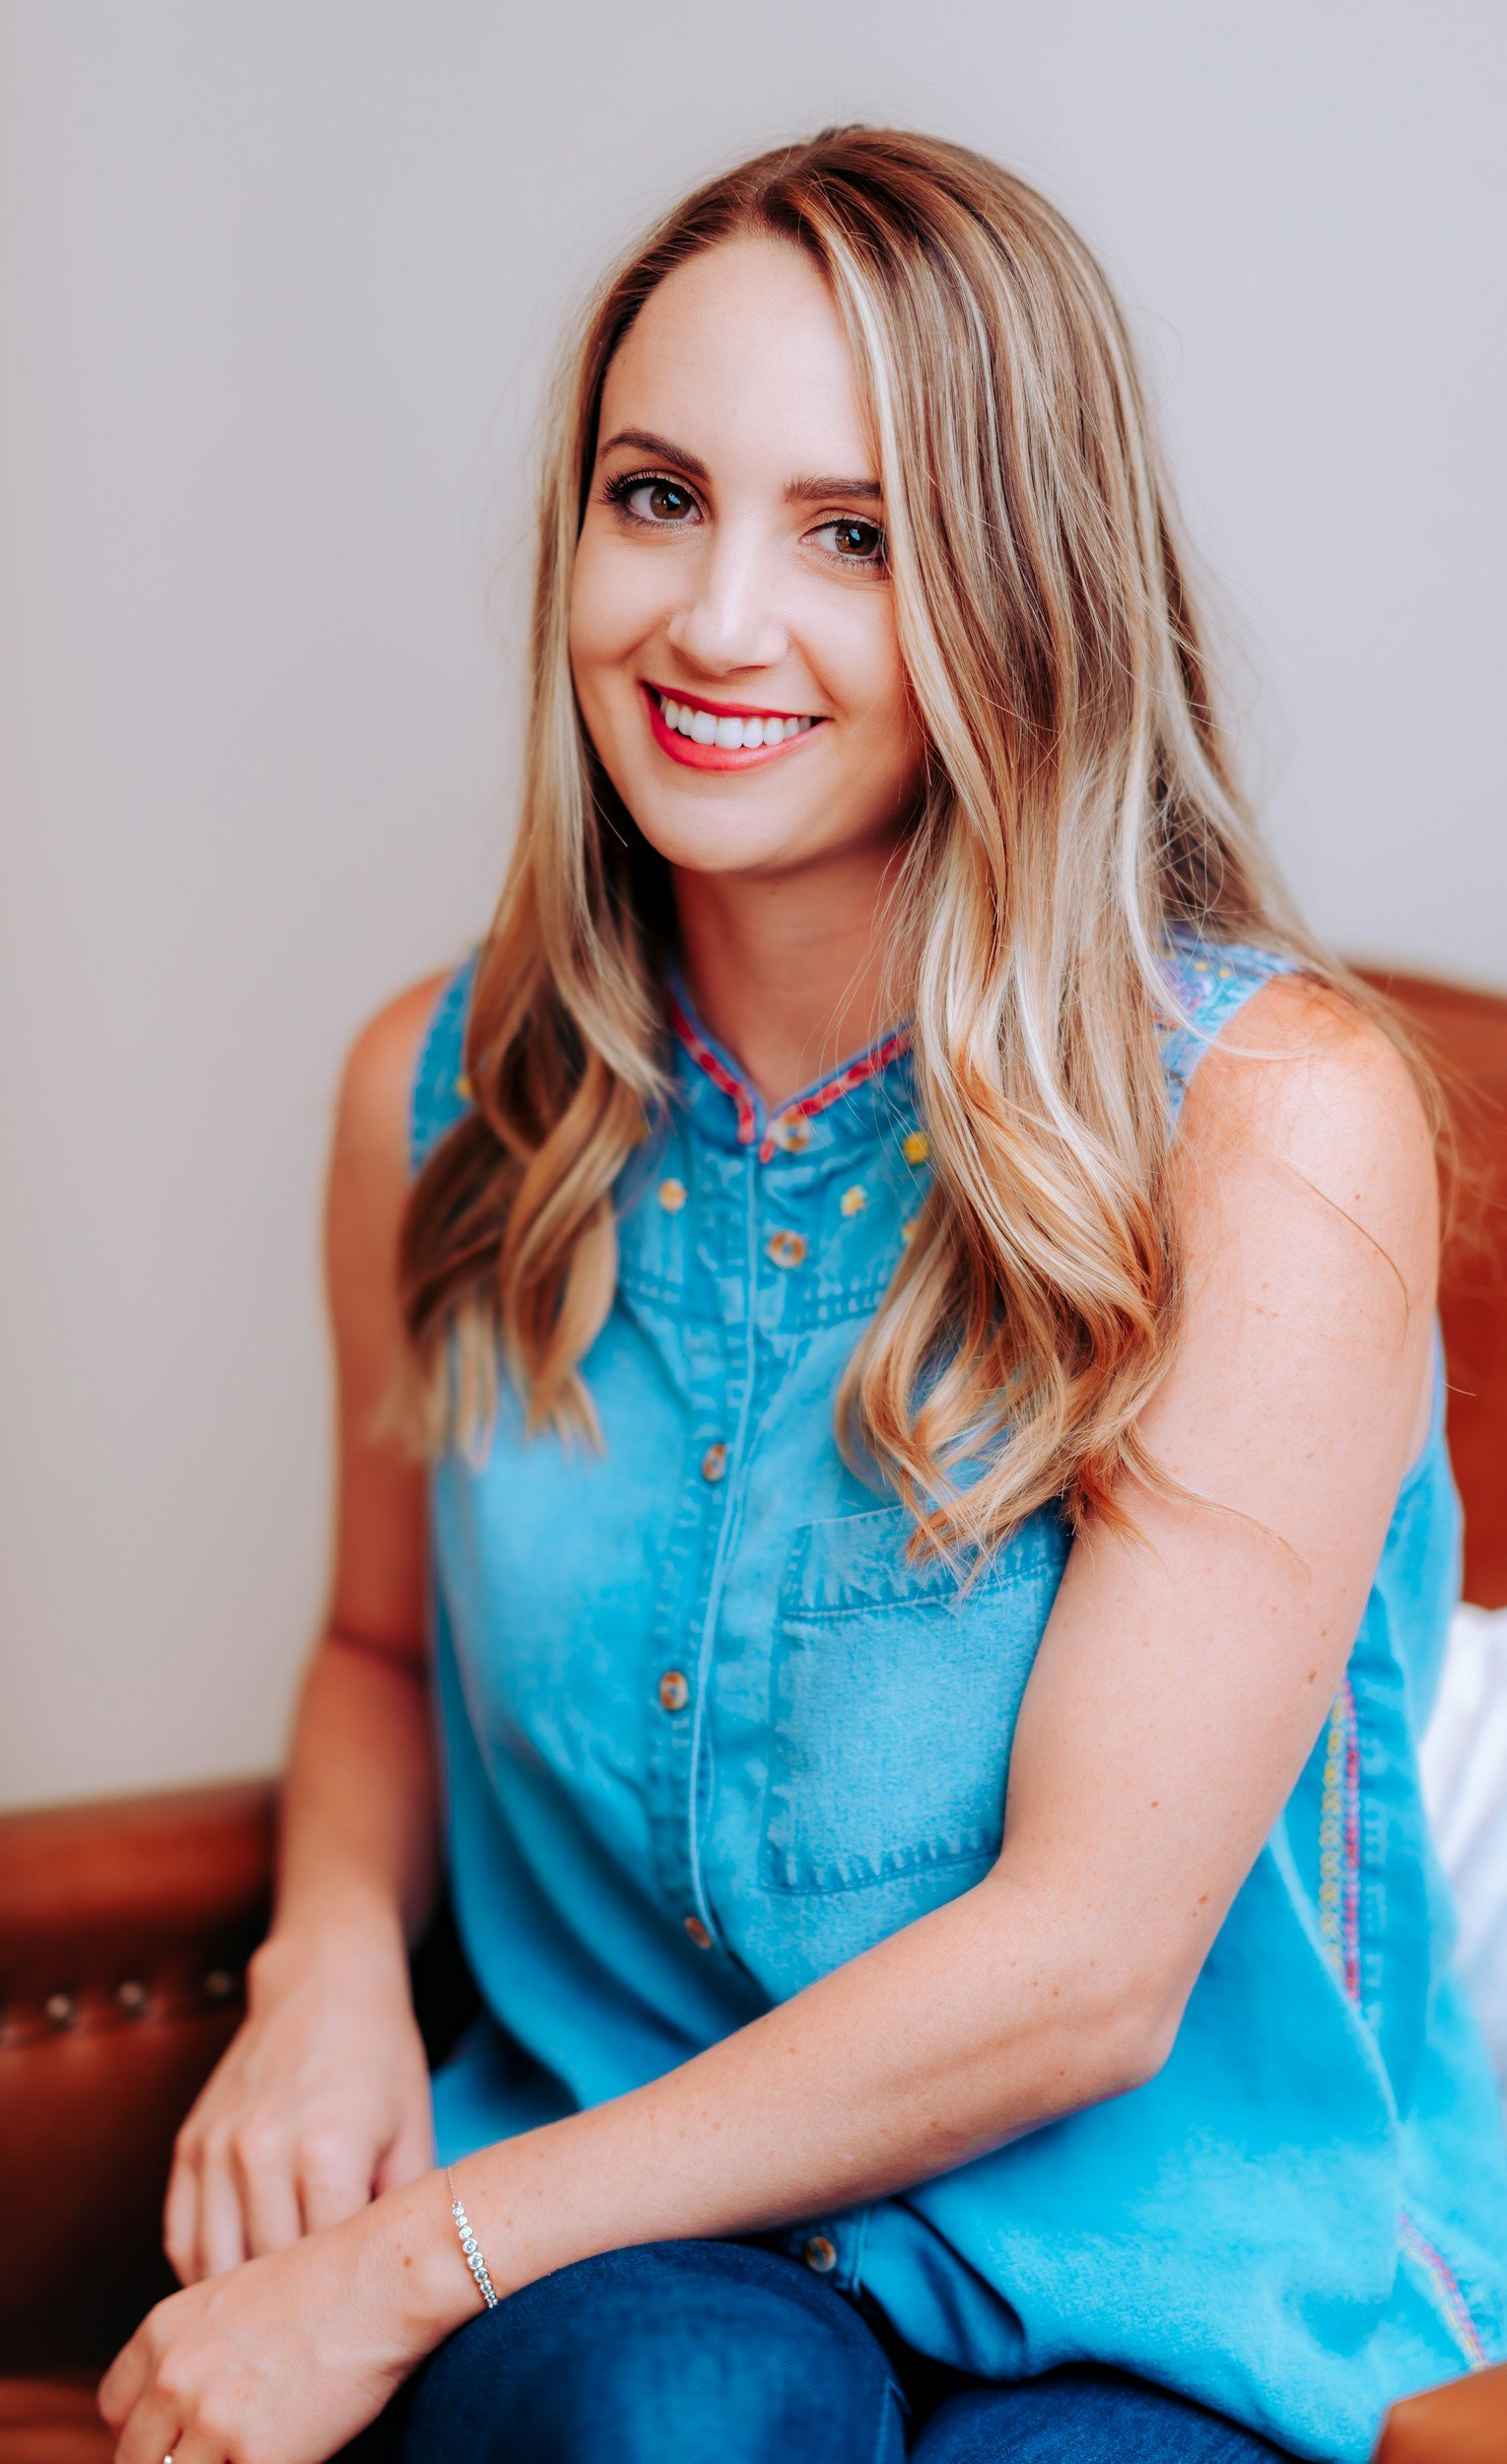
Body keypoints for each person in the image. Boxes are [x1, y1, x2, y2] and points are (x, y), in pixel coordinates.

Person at [97, 126, 1507, 2464]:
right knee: (662, 2410)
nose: (717, 621)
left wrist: (397, 2265)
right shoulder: (438, 1099)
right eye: (657, 497)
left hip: (1153, 2264)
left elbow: (1086, 1968)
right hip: (624, 2227)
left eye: (854, 536)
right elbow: (374, 1652)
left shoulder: (1276, 1123)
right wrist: (322, 1969)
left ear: (1026, 586)